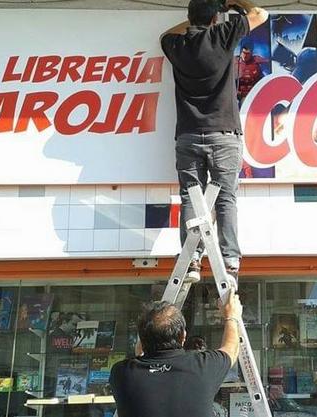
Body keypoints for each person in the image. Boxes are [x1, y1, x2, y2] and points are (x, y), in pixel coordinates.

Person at [159, 0, 269, 281]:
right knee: (226, 199)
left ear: (189, 17)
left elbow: (164, 35)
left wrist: (196, 22)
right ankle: (229, 261)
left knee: (190, 196)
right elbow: (261, 14)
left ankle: (192, 259)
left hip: (188, 135)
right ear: (216, 19)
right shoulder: (223, 36)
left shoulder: (177, 45)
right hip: (224, 134)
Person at [109, 292, 243, 417]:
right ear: (183, 336)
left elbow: (141, 357)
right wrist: (231, 317)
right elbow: (231, 349)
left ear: (141, 339)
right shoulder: (204, 366)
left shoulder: (121, 372)